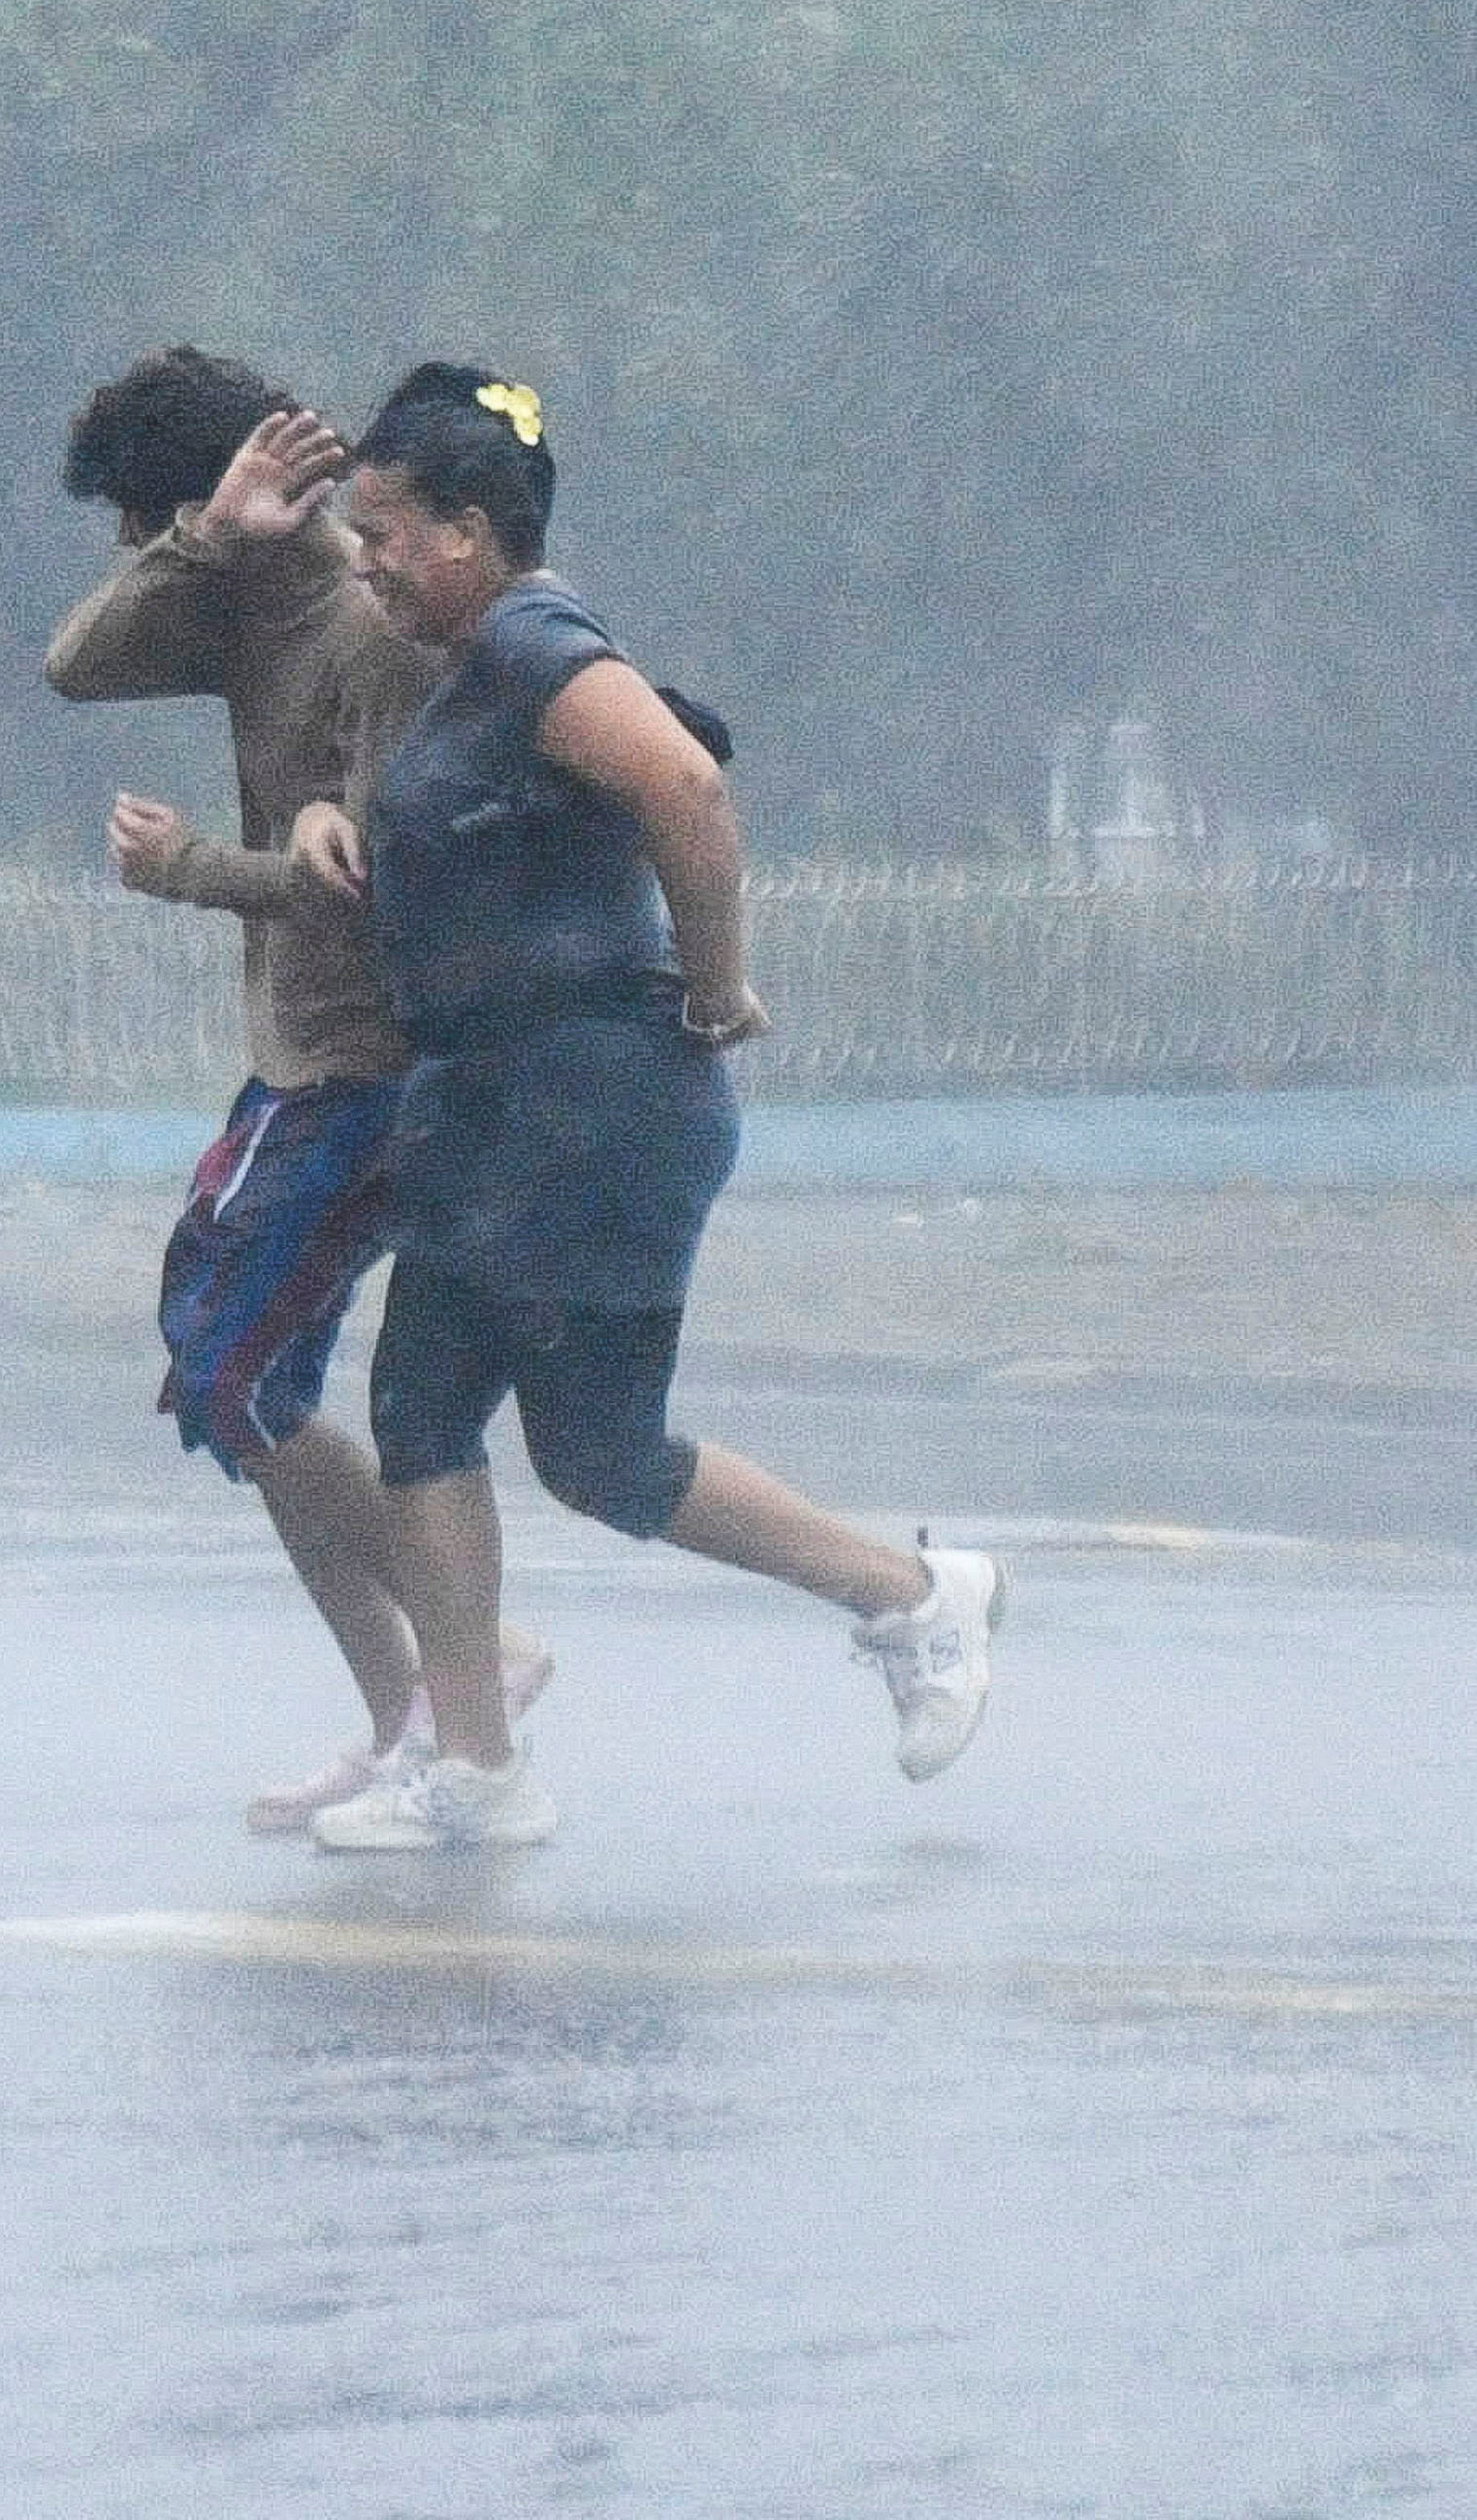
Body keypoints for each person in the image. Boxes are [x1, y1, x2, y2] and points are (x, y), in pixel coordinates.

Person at [298, 364, 997, 1853]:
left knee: (428, 1405)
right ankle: (914, 1598)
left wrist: (716, 986)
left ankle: (480, 1768)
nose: (365, 563)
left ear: (471, 532)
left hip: (581, 1103)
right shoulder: (478, 667)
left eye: (383, 533)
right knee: (596, 1450)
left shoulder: (538, 644)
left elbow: (685, 785)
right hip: (538, 1111)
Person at [45, 347, 544, 1831]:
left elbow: (381, 887)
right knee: (235, 1386)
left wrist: (189, 869)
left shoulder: (365, 628)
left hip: (368, 1065)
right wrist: (210, 540)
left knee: (233, 1379)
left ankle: (470, 1660)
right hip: (298, 1057)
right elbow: (75, 664)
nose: (137, 559)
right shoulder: (246, 602)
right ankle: (408, 1711)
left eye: (145, 525)